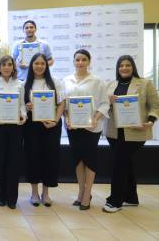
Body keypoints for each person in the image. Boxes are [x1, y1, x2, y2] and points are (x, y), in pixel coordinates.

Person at [103, 55, 159, 213]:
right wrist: (109, 101)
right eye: (121, 65)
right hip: (114, 133)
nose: (124, 68)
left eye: (127, 65)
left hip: (136, 132)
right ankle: (131, 197)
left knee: (119, 164)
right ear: (117, 68)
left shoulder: (145, 83)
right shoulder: (111, 84)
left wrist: (150, 121)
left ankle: (115, 201)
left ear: (133, 67)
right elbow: (103, 107)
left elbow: (155, 105)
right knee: (126, 163)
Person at [63, 49, 109, 210]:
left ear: (89, 62)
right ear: (73, 62)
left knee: (89, 159)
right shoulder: (66, 80)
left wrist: (95, 118)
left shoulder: (98, 81)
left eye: (84, 59)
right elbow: (64, 104)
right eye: (77, 60)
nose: (80, 62)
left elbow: (105, 103)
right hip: (73, 127)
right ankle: (81, 191)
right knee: (77, 159)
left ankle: (88, 192)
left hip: (91, 127)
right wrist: (67, 117)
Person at [23, 53, 65, 207]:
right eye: (36, 63)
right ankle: (34, 193)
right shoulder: (24, 84)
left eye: (42, 63)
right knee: (32, 157)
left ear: (46, 66)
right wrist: (26, 106)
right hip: (31, 126)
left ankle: (46, 193)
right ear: (31, 65)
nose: (39, 66)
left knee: (50, 157)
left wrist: (55, 120)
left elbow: (62, 103)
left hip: (51, 125)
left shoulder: (55, 82)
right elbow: (21, 106)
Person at [0, 55, 26, 209]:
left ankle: (12, 197)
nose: (7, 67)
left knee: (13, 162)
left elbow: (22, 105)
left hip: (16, 127)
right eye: (3, 64)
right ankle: (0, 196)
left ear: (13, 67)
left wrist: (23, 115)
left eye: (9, 64)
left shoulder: (20, 84)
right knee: (0, 161)